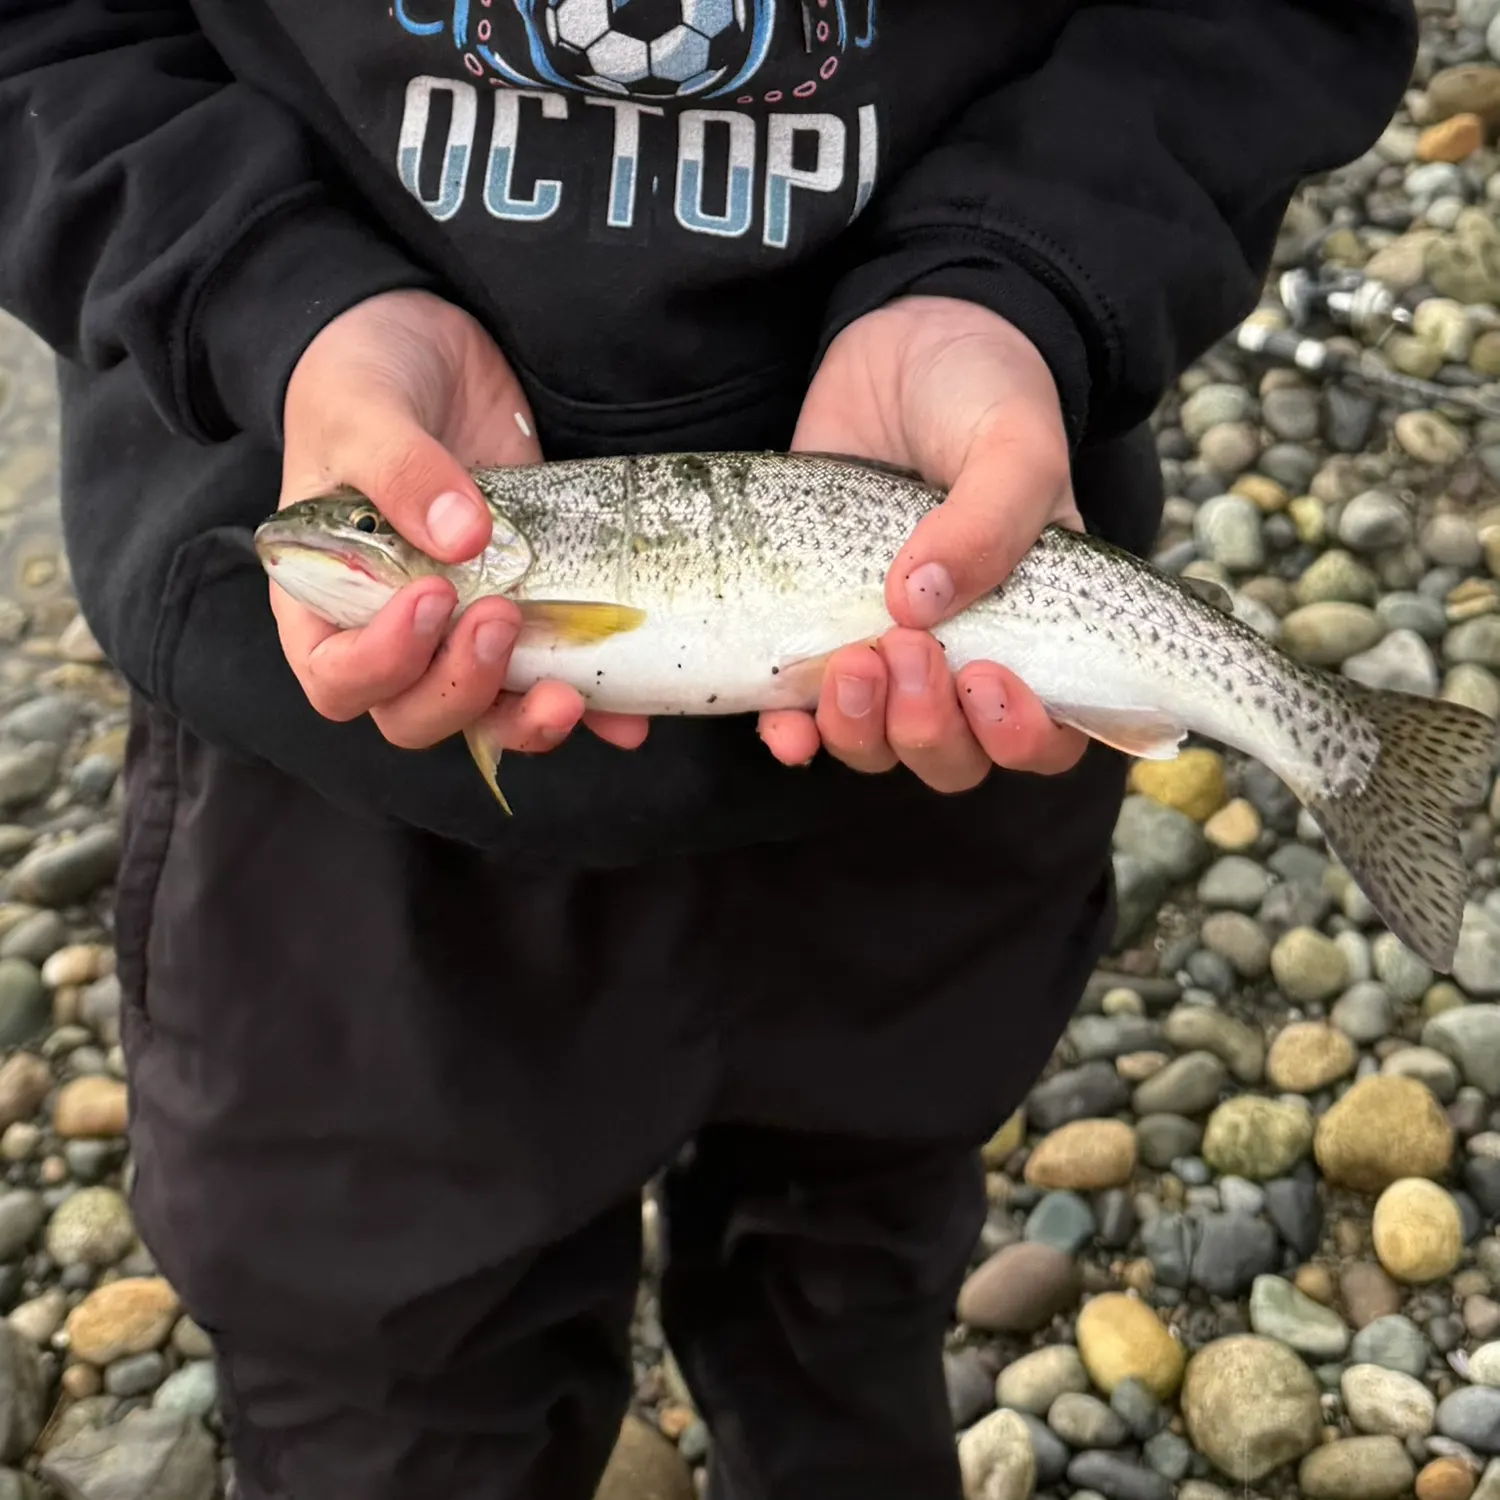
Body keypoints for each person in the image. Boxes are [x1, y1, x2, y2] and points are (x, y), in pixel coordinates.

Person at [0, 2, 1415, 1496]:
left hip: (927, 769)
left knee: (847, 1296)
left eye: (362, 546)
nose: (339, 552)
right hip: (331, 804)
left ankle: (1348, 752)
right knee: (392, 1369)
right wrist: (271, 296)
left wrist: (1017, 280)